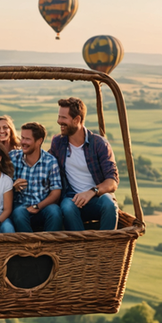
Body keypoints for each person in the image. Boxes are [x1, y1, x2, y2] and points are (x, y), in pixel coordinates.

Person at [50, 97, 119, 231]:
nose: (59, 121)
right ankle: (81, 249)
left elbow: (112, 181)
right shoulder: (58, 143)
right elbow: (45, 162)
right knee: (67, 207)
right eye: (59, 117)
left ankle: (105, 246)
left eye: (63, 118)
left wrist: (91, 192)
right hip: (72, 198)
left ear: (77, 120)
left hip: (96, 197)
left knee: (110, 205)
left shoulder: (99, 144)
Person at [10, 122, 63, 232]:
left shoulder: (50, 161)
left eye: (27, 139)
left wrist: (38, 206)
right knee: (18, 213)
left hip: (43, 206)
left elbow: (56, 192)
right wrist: (12, 186)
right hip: (21, 207)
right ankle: (29, 247)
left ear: (39, 141)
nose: (23, 142)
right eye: (22, 138)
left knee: (55, 212)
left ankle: (50, 246)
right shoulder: (13, 157)